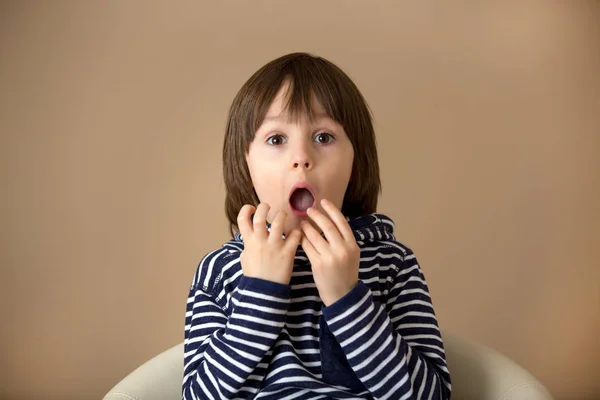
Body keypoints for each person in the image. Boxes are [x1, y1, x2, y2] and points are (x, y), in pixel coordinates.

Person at [183, 52, 451, 399]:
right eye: (277, 139)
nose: (301, 157)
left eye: (323, 137)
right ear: (245, 161)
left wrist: (347, 297)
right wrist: (259, 293)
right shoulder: (218, 271)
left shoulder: (392, 264)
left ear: (356, 159)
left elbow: (432, 396)